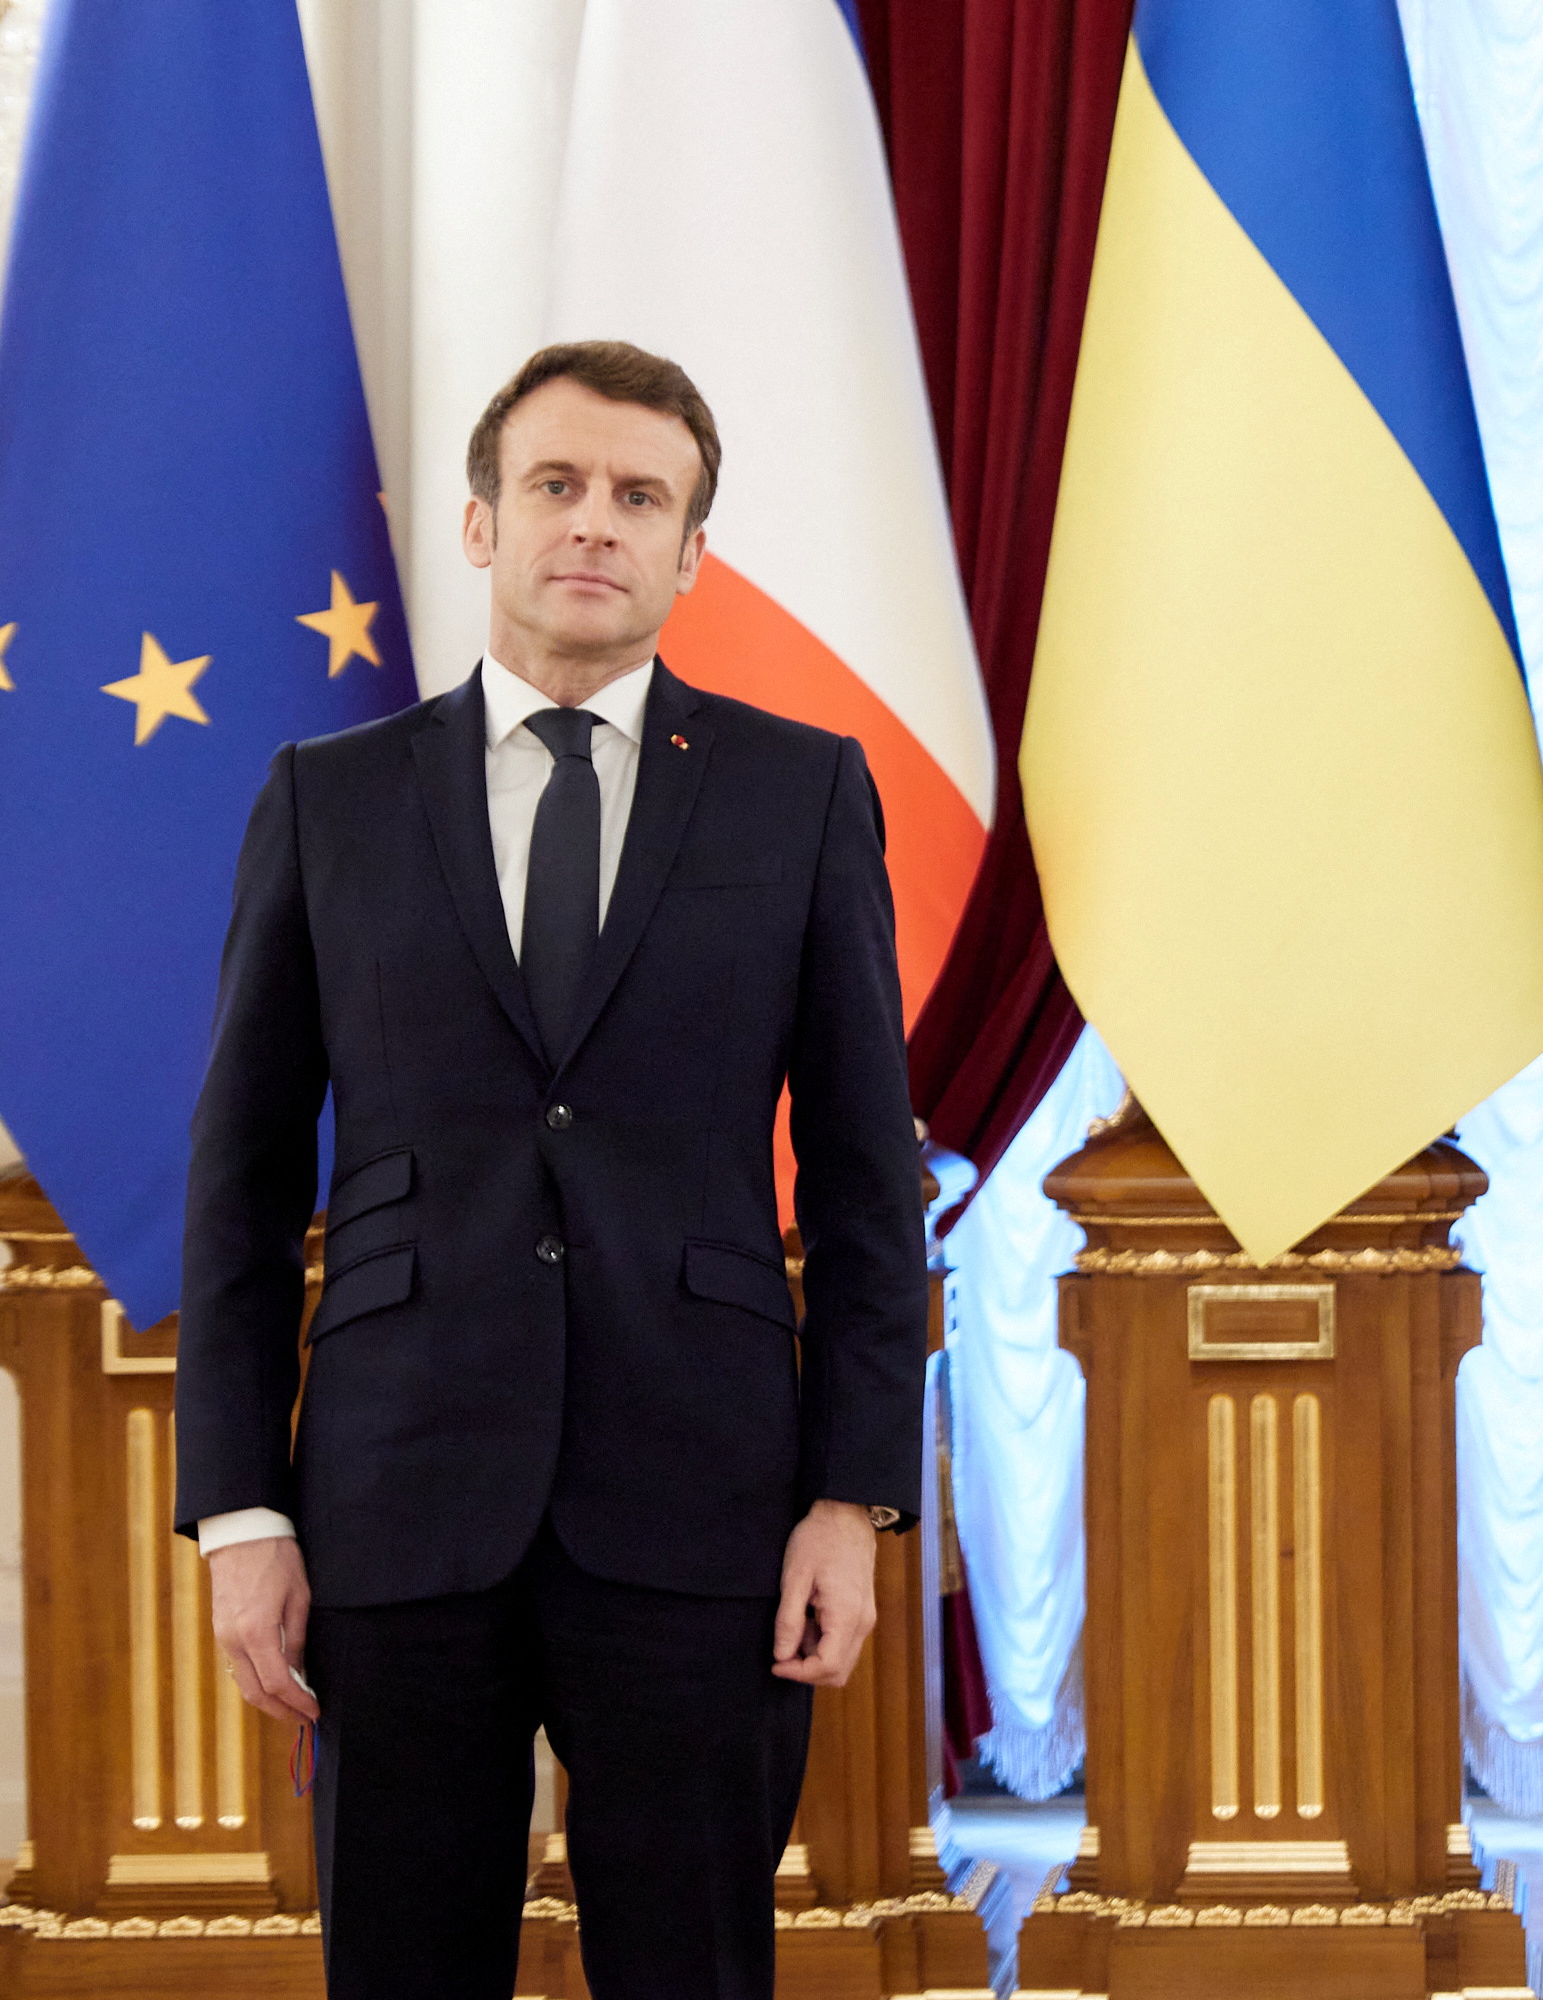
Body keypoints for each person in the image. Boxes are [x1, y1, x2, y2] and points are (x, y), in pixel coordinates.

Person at [175, 339, 926, 1999]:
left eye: (641, 498)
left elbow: (871, 1182)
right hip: (394, 1504)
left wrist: (852, 1498)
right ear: (481, 522)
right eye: (557, 484)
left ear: (690, 553)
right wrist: (239, 1510)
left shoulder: (801, 796)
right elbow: (238, 1187)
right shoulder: (327, 799)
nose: (595, 522)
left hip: (706, 1503)